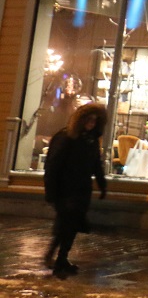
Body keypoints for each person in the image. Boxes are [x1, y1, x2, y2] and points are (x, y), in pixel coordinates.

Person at [43, 102, 108, 279]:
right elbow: (53, 165)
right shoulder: (66, 137)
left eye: (95, 120)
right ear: (81, 119)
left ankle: (60, 257)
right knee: (67, 222)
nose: (92, 123)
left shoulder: (91, 140)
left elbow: (96, 164)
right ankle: (54, 256)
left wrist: (102, 184)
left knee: (72, 224)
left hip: (81, 188)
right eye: (89, 119)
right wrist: (51, 190)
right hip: (65, 188)